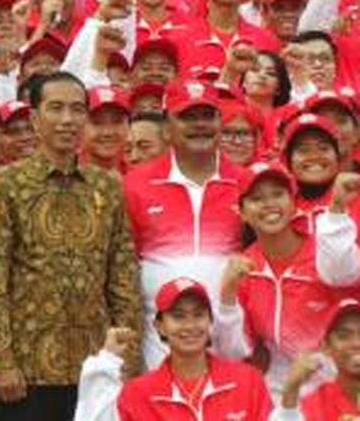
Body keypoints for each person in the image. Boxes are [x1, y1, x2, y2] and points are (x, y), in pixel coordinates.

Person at [0, 72, 142, 421]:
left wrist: (129, 358)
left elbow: (123, 278)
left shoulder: (107, 187)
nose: (67, 120)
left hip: (97, 360)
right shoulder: (7, 184)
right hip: (29, 363)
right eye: (56, 109)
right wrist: (2, 361)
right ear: (35, 119)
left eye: (77, 110)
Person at [124, 79, 243, 369]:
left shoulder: (247, 183)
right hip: (158, 351)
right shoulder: (134, 185)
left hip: (232, 346)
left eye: (207, 116)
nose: (199, 125)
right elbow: (123, 267)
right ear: (166, 128)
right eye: (187, 116)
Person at [215, 160, 359, 399]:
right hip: (284, 392)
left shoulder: (326, 253)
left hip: (343, 390)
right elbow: (232, 354)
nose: (269, 204)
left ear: (294, 203)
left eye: (278, 194)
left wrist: (336, 207)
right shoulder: (243, 270)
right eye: (256, 198)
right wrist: (227, 295)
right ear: (241, 212)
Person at [74, 277, 273, 420]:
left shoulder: (248, 382)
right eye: (178, 316)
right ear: (160, 326)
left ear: (210, 320)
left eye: (198, 315)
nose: (190, 325)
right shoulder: (138, 395)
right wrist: (107, 360)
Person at [272, 298, 360, 419]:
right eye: (343, 336)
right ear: (326, 346)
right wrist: (291, 390)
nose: (356, 343)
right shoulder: (316, 403)